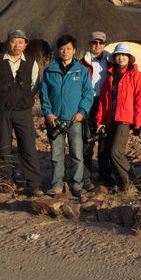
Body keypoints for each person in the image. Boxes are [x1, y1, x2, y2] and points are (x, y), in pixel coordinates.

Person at [0, 29, 42, 196]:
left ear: (25, 44)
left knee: (28, 146)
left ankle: (33, 184)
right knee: (3, 147)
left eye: (20, 42)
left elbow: (34, 86)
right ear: (8, 43)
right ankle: (5, 183)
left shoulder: (32, 63)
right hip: (1, 112)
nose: (17, 45)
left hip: (23, 111)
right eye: (14, 41)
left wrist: (22, 100)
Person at [40, 34, 94, 197]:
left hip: (74, 119)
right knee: (56, 155)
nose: (65, 51)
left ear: (74, 50)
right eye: (62, 48)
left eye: (69, 48)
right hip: (55, 120)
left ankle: (76, 184)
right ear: (58, 50)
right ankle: (57, 184)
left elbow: (88, 94)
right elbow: (44, 95)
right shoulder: (49, 70)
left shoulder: (81, 71)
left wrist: (81, 112)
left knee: (77, 154)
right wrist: (48, 114)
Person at [95, 43, 141, 189]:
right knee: (111, 152)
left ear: (129, 58)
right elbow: (103, 101)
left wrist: (137, 122)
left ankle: (133, 182)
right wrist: (99, 120)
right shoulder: (110, 76)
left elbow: (140, 100)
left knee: (116, 152)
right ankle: (123, 183)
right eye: (118, 55)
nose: (121, 58)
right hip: (110, 118)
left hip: (124, 119)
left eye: (124, 55)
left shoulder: (135, 75)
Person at [79, 31, 111, 188]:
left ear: (104, 44)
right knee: (87, 139)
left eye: (100, 43)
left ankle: (105, 175)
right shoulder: (81, 63)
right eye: (94, 43)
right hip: (88, 102)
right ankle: (86, 177)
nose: (97, 45)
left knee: (105, 140)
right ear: (89, 44)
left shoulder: (111, 62)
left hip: (106, 103)